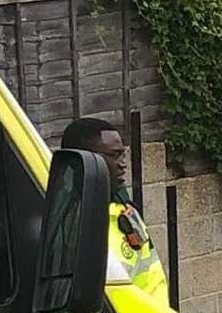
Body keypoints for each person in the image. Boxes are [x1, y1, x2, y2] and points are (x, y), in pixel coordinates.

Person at [60, 117, 169, 304]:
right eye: (113, 155)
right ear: (84, 161)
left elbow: (151, 275)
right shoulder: (65, 220)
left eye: (122, 155)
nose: (123, 164)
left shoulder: (125, 208)